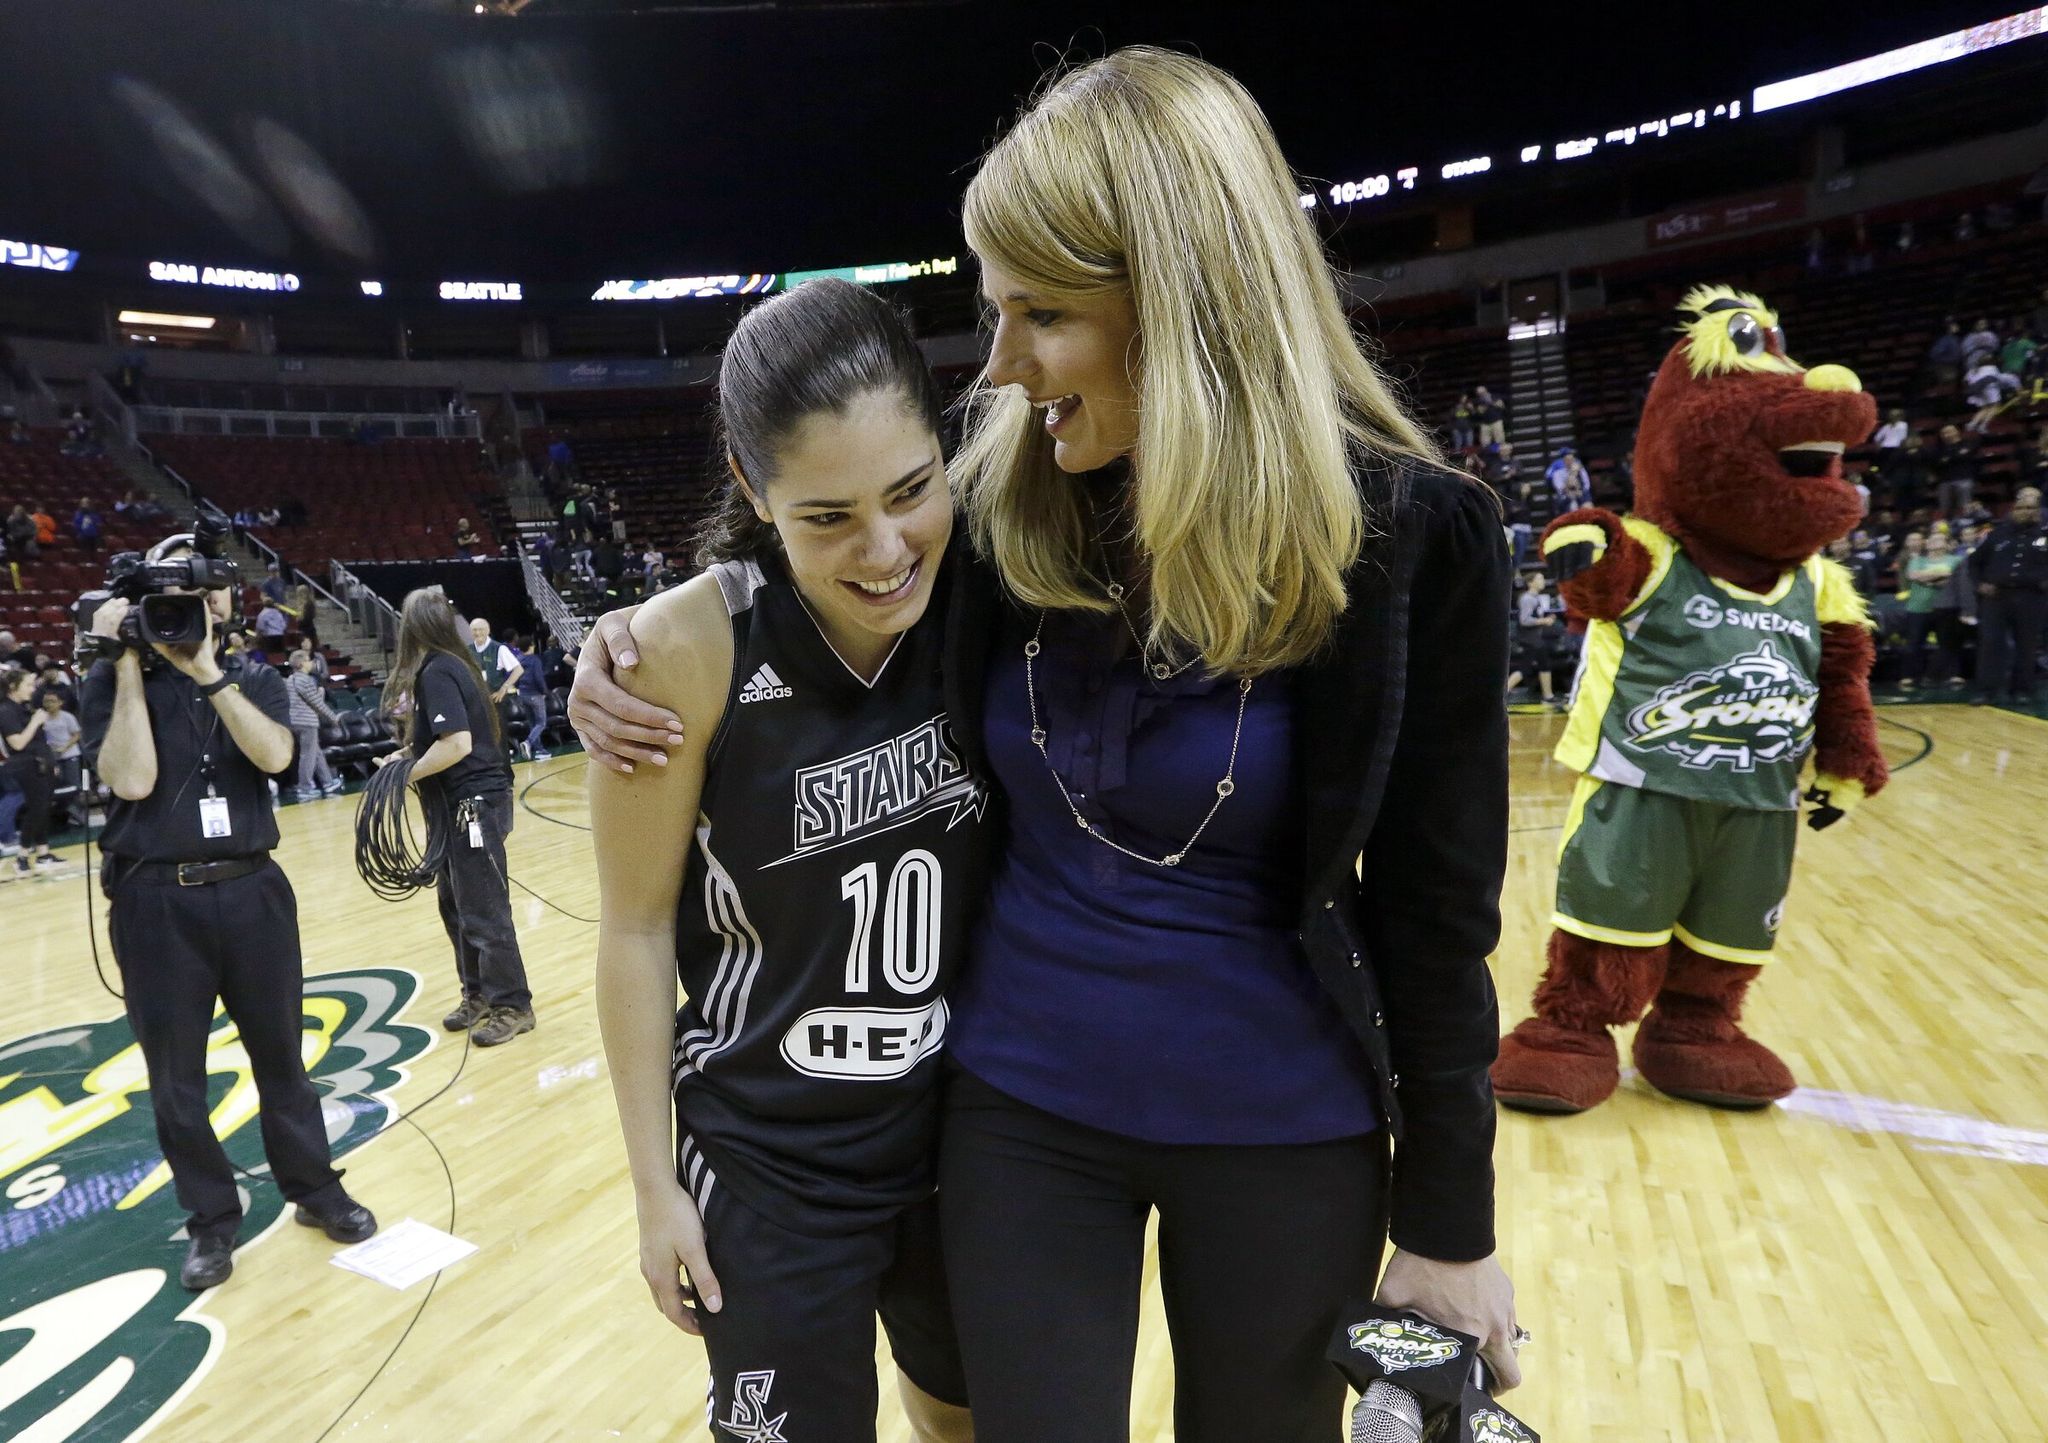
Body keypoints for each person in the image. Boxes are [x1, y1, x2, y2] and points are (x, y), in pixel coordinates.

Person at [574, 46, 1522, 1442]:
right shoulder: (1005, 505)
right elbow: (811, 538)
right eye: (995, 311)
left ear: (1179, 303)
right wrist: (624, 645)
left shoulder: (1414, 540)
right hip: (1019, 1115)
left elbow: (1440, 911)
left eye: (1042, 314)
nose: (1002, 360)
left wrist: (1451, 1222)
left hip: (1290, 1123)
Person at [590, 278, 979, 1443]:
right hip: (772, 1165)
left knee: (962, 1418)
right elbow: (635, 930)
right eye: (824, 518)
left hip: (971, 1132)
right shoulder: (679, 653)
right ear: (752, 490)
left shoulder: (995, 581)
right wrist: (652, 1187)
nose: (883, 549)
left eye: (911, 492)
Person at [78, 539, 378, 1291]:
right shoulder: (109, 683)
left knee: (283, 1057)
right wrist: (124, 662)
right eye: (169, 600)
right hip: (154, 900)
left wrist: (207, 673)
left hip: (252, 890)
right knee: (176, 1078)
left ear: (222, 601)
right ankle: (211, 1220)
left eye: (202, 594)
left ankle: (315, 1188)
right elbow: (134, 779)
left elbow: (278, 757)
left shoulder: (251, 679)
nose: (190, 611)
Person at [381, 589, 534, 1046]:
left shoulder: (438, 671)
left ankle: (512, 1004)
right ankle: (479, 994)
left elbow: (457, 745)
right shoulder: (450, 665)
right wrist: (403, 757)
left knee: (483, 911)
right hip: (459, 807)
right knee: (457, 906)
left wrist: (405, 770)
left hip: (474, 806)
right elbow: (440, 742)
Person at [1969, 487, 2048, 705]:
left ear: (2038, 510)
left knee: (2028, 645)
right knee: (1990, 643)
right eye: (2021, 507)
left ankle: (2021, 690)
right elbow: (1974, 562)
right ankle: (1986, 691)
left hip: (2032, 598)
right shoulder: (1997, 533)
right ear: (2014, 509)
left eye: (2031, 508)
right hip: (1997, 597)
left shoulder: (2045, 534)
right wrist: (1980, 585)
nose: (2026, 511)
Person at [0, 666, 60, 878]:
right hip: (26, 766)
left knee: (43, 808)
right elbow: (17, 743)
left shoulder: (24, 706)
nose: (32, 688)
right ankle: (22, 856)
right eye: (27, 685)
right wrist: (35, 722)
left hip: (41, 763)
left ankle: (43, 853)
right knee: (37, 809)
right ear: (13, 688)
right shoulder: (5, 710)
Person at [1900, 530, 1965, 688]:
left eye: (1938, 539)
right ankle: (1910, 675)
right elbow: (1913, 575)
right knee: (1914, 643)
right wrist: (1940, 578)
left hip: (1947, 608)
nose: (1933, 542)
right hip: (1918, 607)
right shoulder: (1917, 560)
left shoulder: (1956, 559)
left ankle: (1952, 674)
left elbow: (1952, 577)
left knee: (1948, 642)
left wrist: (1928, 579)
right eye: (1931, 539)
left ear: (1947, 544)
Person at [284, 651, 344, 800]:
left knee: (315, 752)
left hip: (295, 722)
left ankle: (328, 782)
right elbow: (316, 703)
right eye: (309, 660)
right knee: (308, 755)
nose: (311, 663)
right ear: (302, 663)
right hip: (306, 722)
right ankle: (304, 788)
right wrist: (332, 717)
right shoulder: (304, 680)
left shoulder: (290, 679)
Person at [468, 616, 523, 704]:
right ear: (470, 632)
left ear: (488, 630)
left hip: (495, 699)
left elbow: (518, 669)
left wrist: (504, 688)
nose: (477, 633)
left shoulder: (499, 648)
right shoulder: (467, 650)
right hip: (476, 700)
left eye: (481, 629)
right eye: (474, 630)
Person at [1931, 423, 1976, 517]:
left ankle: (1967, 522)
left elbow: (1966, 456)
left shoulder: (1967, 443)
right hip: (1945, 481)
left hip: (1964, 478)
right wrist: (1957, 455)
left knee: (1965, 506)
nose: (1946, 434)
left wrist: (1948, 459)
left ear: (1957, 432)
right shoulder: (1938, 449)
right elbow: (1937, 462)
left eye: (1949, 431)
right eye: (1943, 433)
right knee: (1944, 509)